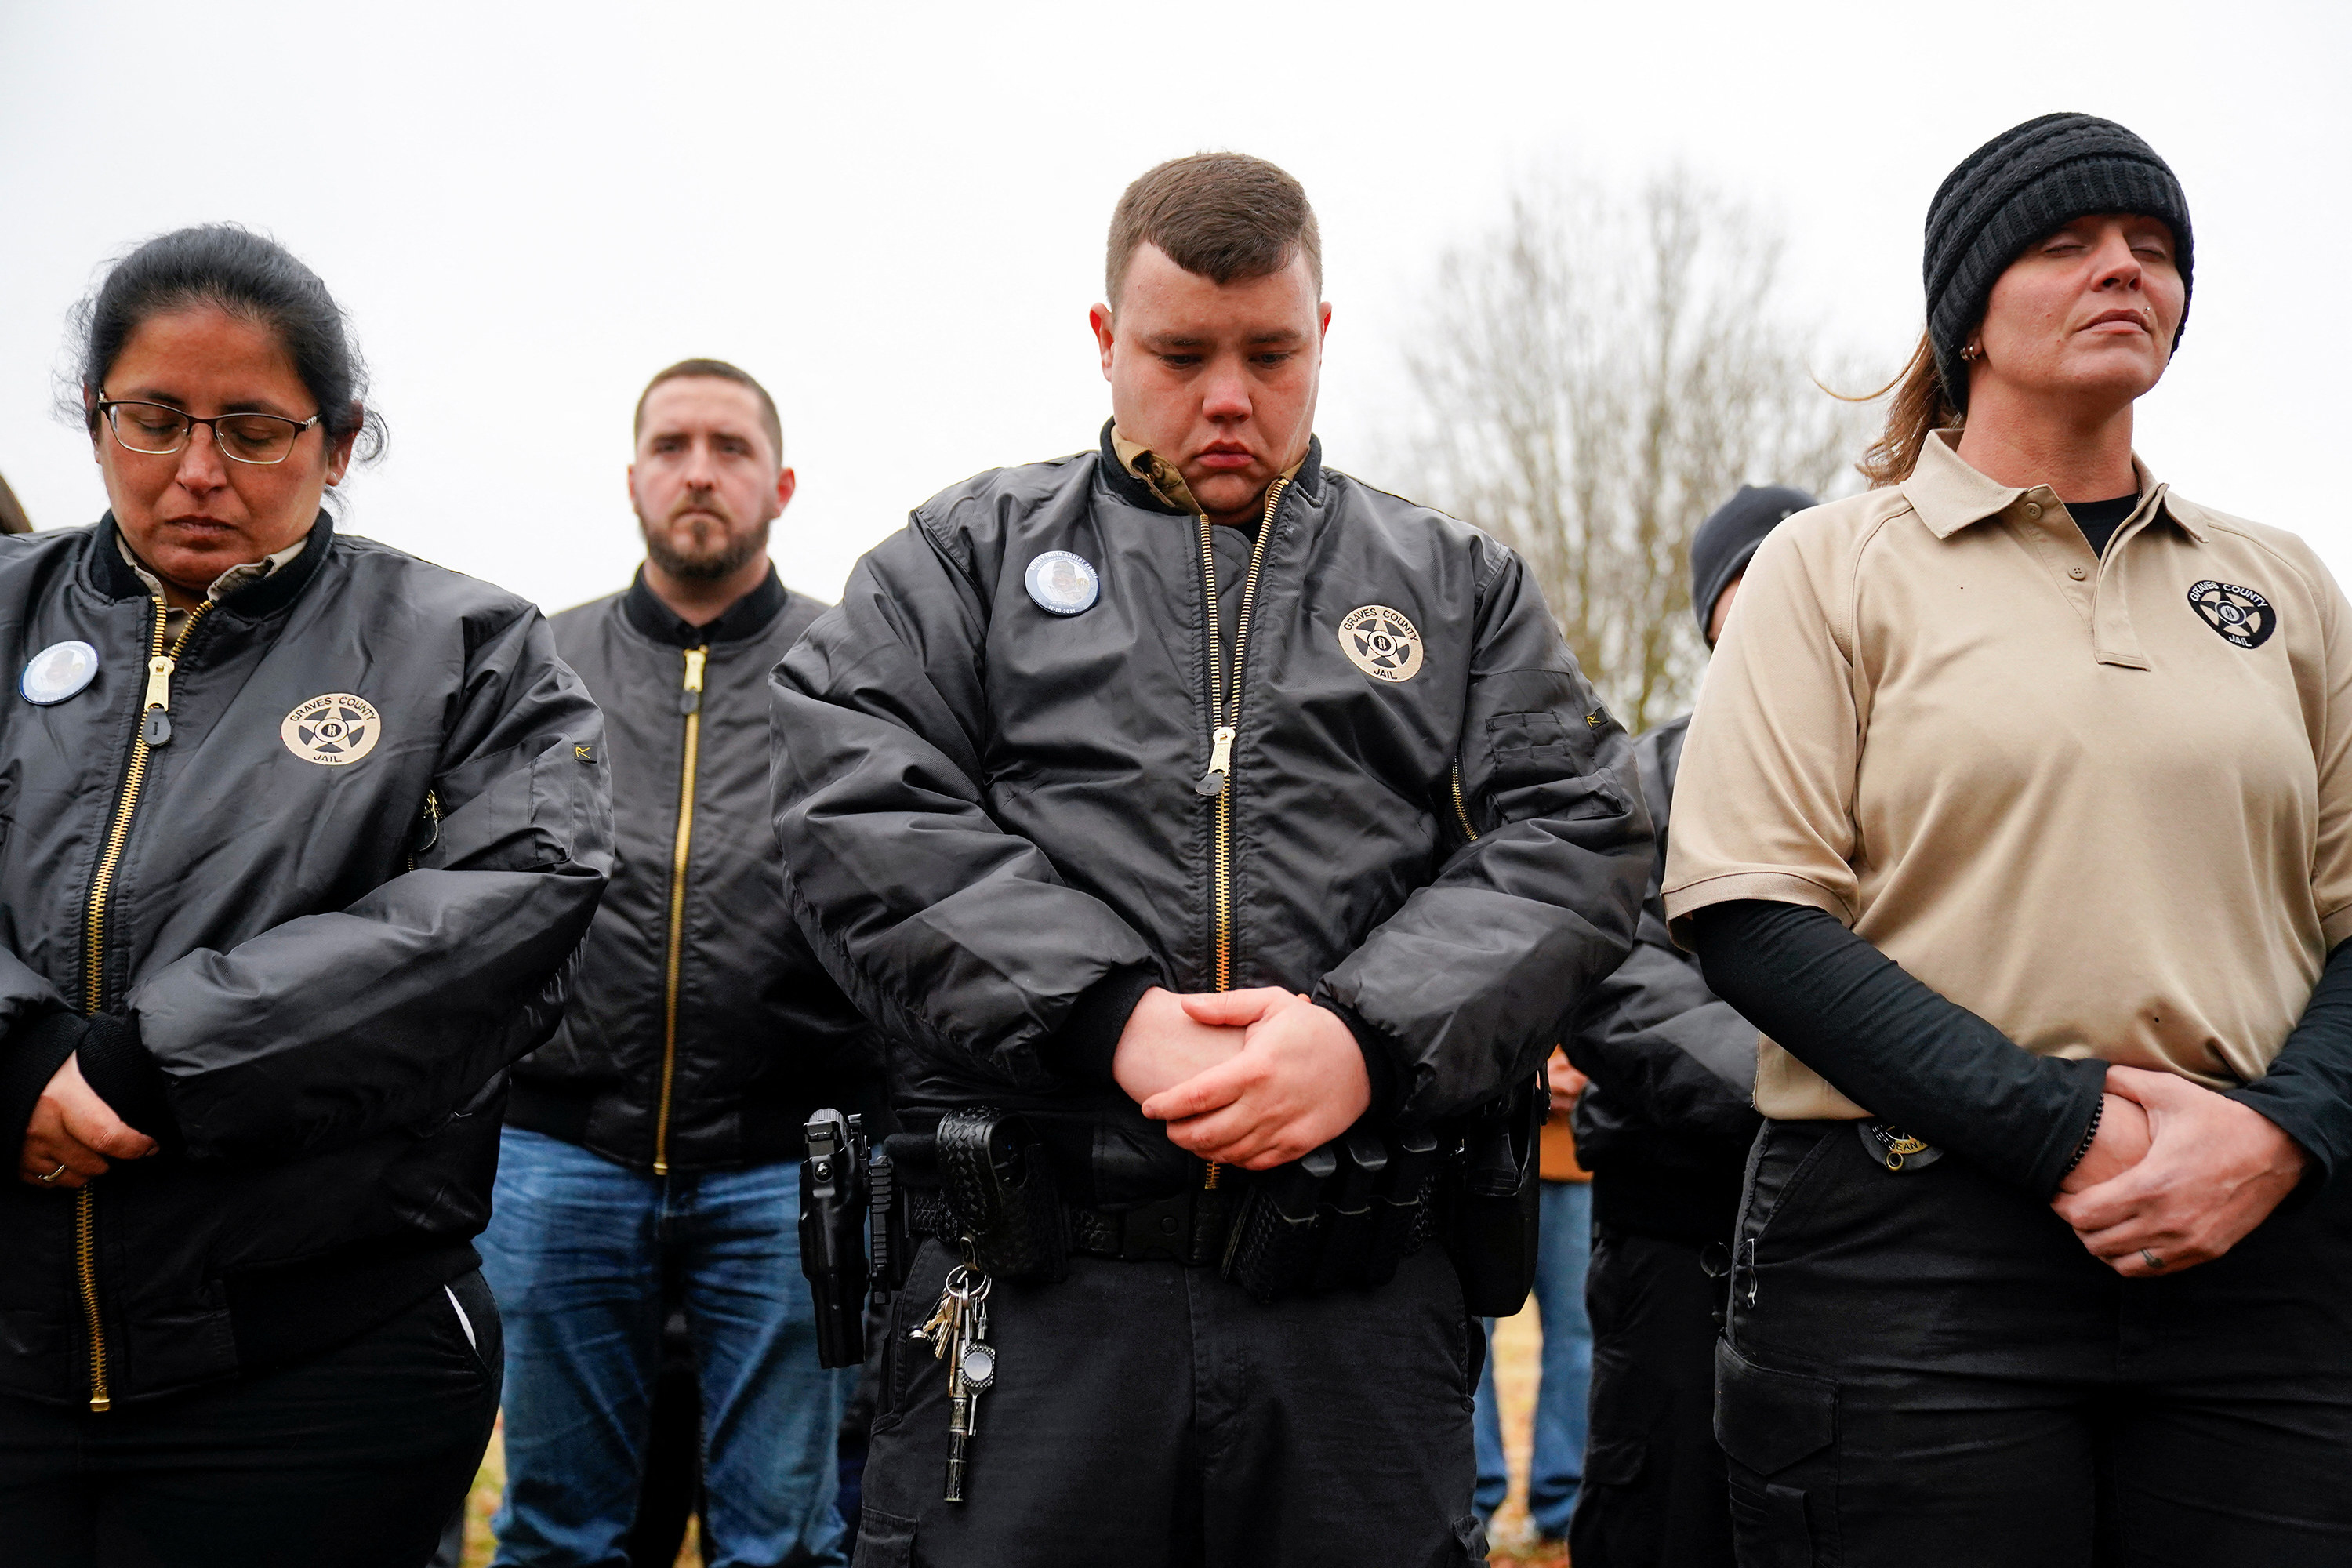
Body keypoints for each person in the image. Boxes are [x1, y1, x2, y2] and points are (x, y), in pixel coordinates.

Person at [768, 151, 1650, 1564]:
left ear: (1323, 336)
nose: (1228, 395)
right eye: (1181, 353)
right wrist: (1109, 1016)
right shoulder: (961, 563)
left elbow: (1586, 832)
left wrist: (1366, 1036)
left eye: (1270, 352)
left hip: (1355, 1300)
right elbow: (844, 800)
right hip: (1036, 1296)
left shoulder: (1454, 587)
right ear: (1108, 342)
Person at [1666, 113, 2352, 1563]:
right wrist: (2065, 1130)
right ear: (1969, 308)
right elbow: (1749, 914)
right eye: (2071, 244)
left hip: (2257, 1263)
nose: (2128, 271)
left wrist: (2285, 1134)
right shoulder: (1827, 570)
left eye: (2156, 250)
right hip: (1914, 1260)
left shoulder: (2284, 586)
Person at [0, 224, 610, 1568]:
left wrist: (156, 1065)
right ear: (94, 420)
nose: (199, 471)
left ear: (338, 444)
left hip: (319, 1368)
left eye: (255, 431)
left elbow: (525, 891)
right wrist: (17, 1047)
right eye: (153, 419)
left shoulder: (461, 645)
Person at [477, 358, 879, 1567]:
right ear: (634, 477)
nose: (700, 469)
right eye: (672, 445)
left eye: (730, 446)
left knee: (787, 1538)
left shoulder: (850, 667)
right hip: (561, 1160)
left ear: (783, 481)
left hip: (784, 1163)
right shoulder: (542, 661)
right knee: (558, 1530)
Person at [1559, 484, 1809, 1568]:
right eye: (1753, 591)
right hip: (1679, 1242)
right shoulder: (1640, 789)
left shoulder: (1922, 777)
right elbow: (1615, 977)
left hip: (1870, 1246)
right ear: (1714, 619)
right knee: (1667, 1519)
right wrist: (1820, 1101)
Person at [1469, 1048, 1592, 1544]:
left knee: (1577, 1338)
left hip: (1576, 1161)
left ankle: (1563, 1504)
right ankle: (1472, 1500)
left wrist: (1592, 1070)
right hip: (1483, 1157)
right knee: (1469, 1334)